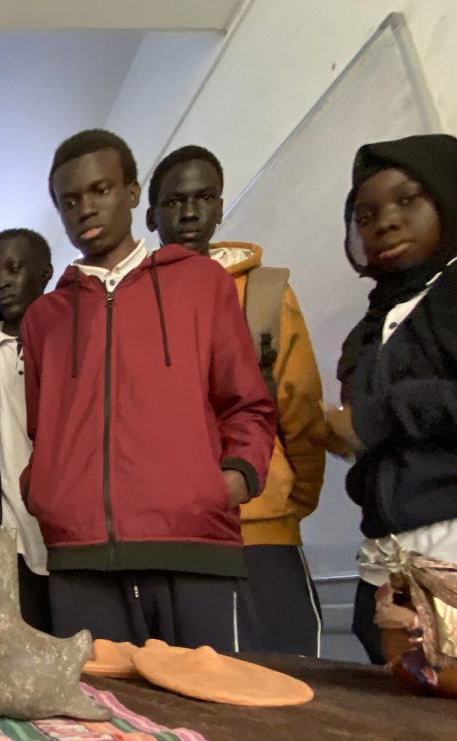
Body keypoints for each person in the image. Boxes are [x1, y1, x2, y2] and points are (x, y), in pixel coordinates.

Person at [21, 129, 275, 651]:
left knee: (215, 703)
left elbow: (247, 403)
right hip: (81, 561)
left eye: (101, 190)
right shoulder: (45, 318)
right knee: (100, 706)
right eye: (70, 200)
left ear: (133, 193)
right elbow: (41, 430)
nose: (86, 209)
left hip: (195, 550)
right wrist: (46, 495)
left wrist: (229, 483)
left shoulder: (202, 283)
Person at [146, 145, 327, 656]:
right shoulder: (135, 303)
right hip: (176, 533)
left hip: (261, 526)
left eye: (203, 197)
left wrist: (287, 499)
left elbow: (300, 406)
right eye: (174, 201)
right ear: (151, 214)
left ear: (221, 206)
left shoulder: (264, 293)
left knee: (286, 672)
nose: (189, 213)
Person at [326, 134, 457, 666]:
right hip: (390, 555)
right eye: (366, 215)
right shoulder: (378, 323)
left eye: (407, 200)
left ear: (449, 198)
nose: (386, 223)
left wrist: (380, 416)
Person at [0, 227, 53, 632]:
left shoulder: (71, 342)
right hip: (6, 544)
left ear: (45, 273)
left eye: (13, 269)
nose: (2, 282)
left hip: (66, 539)